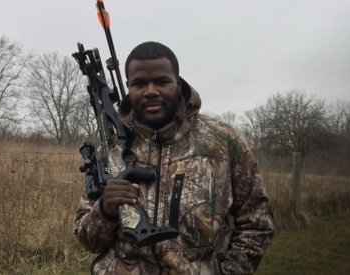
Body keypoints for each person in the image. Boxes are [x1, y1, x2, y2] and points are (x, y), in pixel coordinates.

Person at [74, 41, 274, 274]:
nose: (150, 91)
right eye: (139, 83)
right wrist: (105, 209)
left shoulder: (223, 142)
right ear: (128, 87)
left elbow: (257, 223)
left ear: (178, 84)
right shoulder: (111, 151)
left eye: (161, 81)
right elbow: (88, 240)